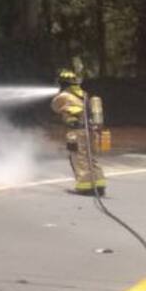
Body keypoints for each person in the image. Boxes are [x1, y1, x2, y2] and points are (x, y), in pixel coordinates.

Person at [51, 67, 106, 196]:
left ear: (62, 83)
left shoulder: (64, 96)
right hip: (91, 130)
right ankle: (99, 184)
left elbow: (54, 106)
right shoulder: (84, 95)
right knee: (91, 157)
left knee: (80, 158)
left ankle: (85, 187)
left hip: (77, 132)